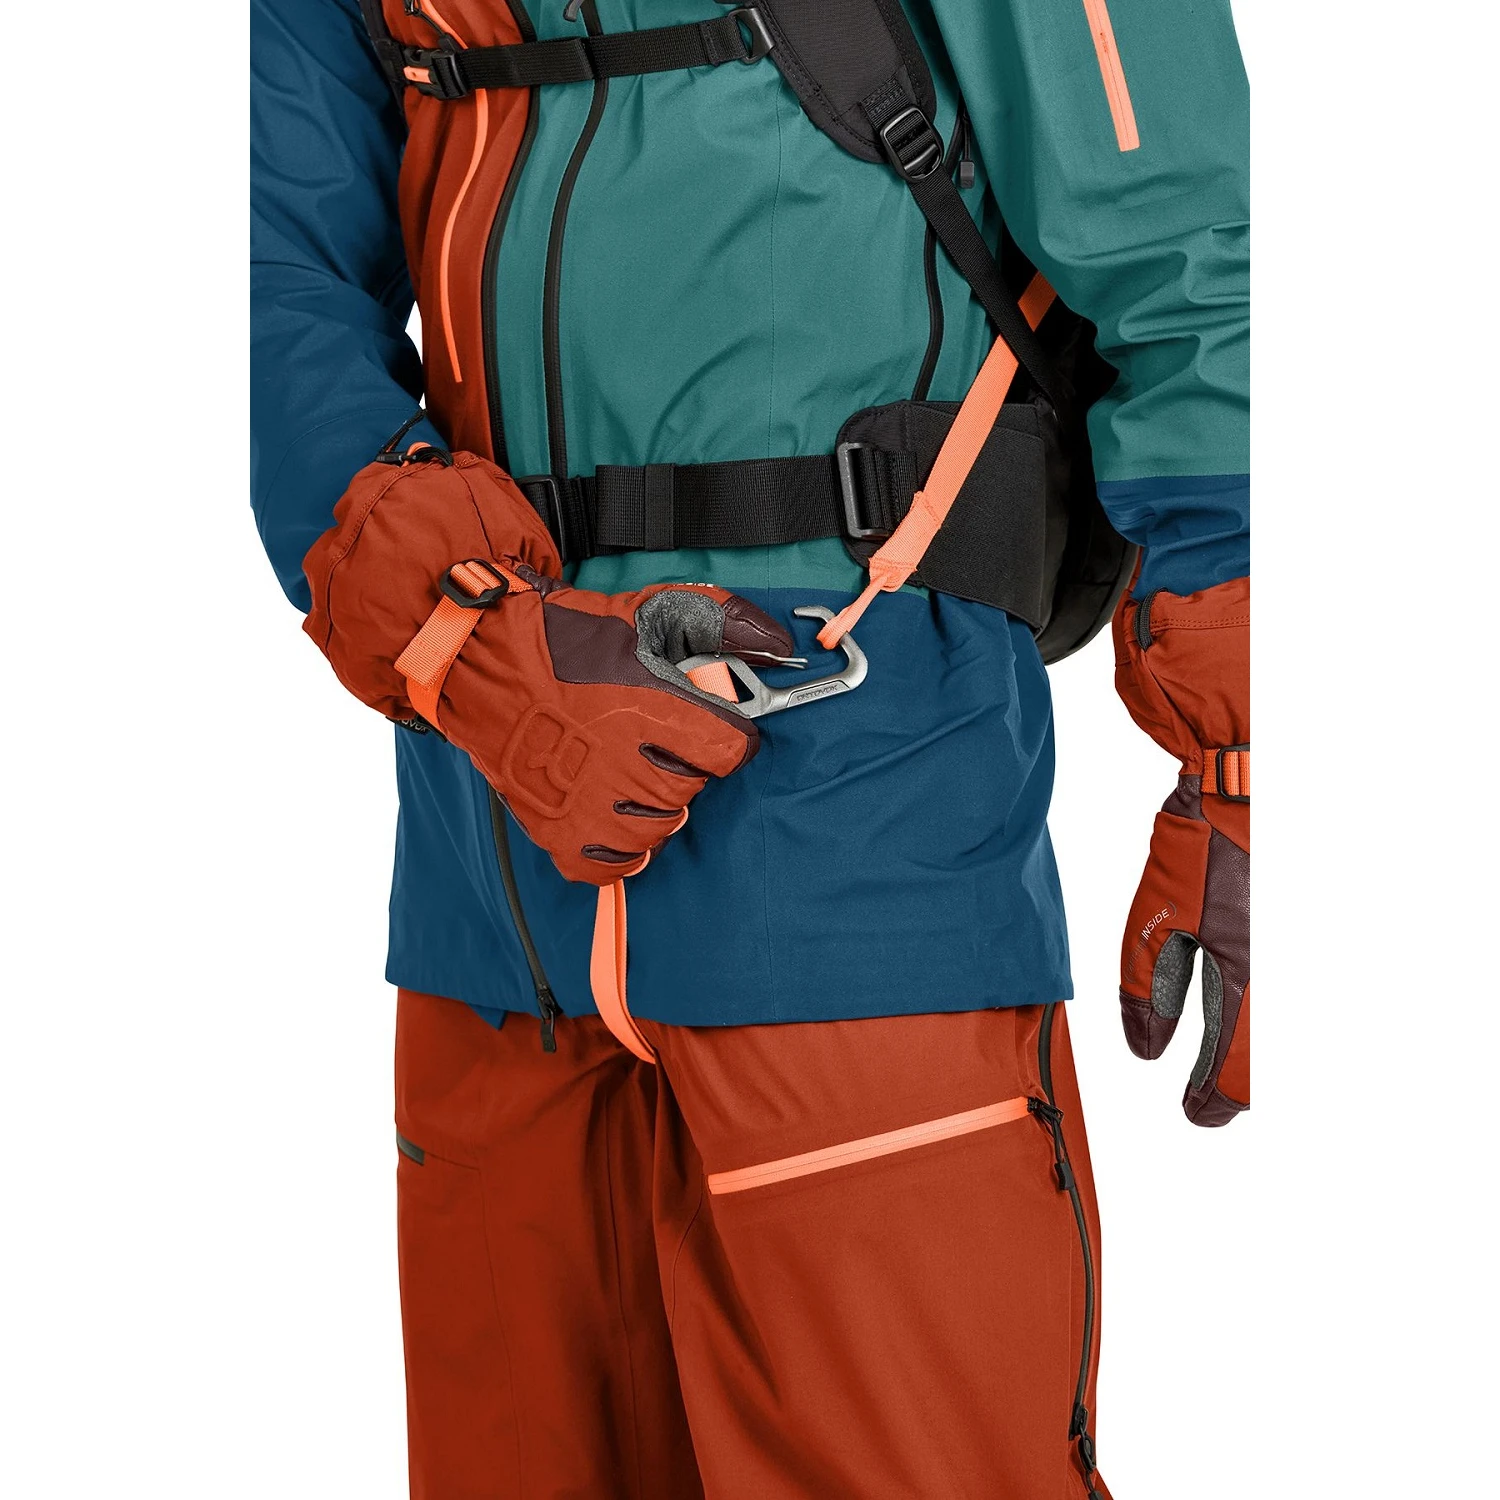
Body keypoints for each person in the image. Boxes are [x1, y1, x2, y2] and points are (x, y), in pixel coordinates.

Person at [250, 0, 1249, 1494]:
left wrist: (1251, 761)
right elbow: (261, 276)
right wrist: (463, 641)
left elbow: (1199, 255)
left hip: (863, 849)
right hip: (494, 878)